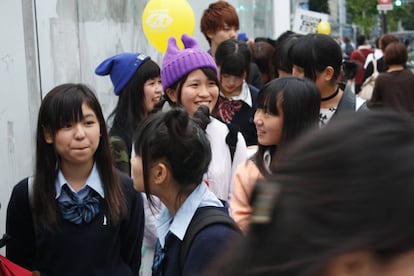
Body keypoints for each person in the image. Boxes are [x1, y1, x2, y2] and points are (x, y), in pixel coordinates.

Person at [209, 110, 414, 276]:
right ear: (352, 267)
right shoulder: (253, 170)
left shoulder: (292, 178)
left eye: (271, 112)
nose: (258, 119)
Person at [6, 83, 144, 275]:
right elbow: (17, 268)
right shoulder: (27, 195)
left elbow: (131, 262)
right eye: (67, 125)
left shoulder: (127, 190)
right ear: (48, 134)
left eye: (88, 123)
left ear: (101, 129)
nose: (80, 134)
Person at [131, 107, 242, 275]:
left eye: (138, 155)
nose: (132, 162)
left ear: (160, 173)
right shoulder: (175, 220)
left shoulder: (213, 241)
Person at [160, 33, 248, 203]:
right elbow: (150, 208)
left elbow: (239, 199)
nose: (205, 93)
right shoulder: (155, 136)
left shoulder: (232, 137)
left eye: (211, 84)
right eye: (194, 85)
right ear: (171, 93)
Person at [230, 77, 320, 234]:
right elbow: (254, 227)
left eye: (268, 113)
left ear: (296, 119)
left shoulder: (324, 170)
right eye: (259, 109)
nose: (257, 119)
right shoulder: (254, 171)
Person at [95, 53, 162, 175]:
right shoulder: (117, 142)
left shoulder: (160, 127)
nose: (159, 90)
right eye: (152, 83)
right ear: (133, 90)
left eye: (160, 82)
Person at [290, 33, 366, 127]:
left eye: (301, 70)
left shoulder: (359, 113)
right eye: (293, 68)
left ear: (328, 73)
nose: (294, 75)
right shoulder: (289, 105)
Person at [200, 1, 263, 89]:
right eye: (227, 29)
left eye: (236, 29)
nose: (233, 34)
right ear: (210, 32)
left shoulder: (250, 68)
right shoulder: (201, 67)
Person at [213, 38, 259, 146]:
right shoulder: (207, 96)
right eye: (226, 75)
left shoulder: (257, 99)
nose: (231, 82)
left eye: (238, 76)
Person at [368, 42, 414, 115]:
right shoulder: (411, 75)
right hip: (410, 122)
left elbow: (374, 104)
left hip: (390, 122)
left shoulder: (382, 78)